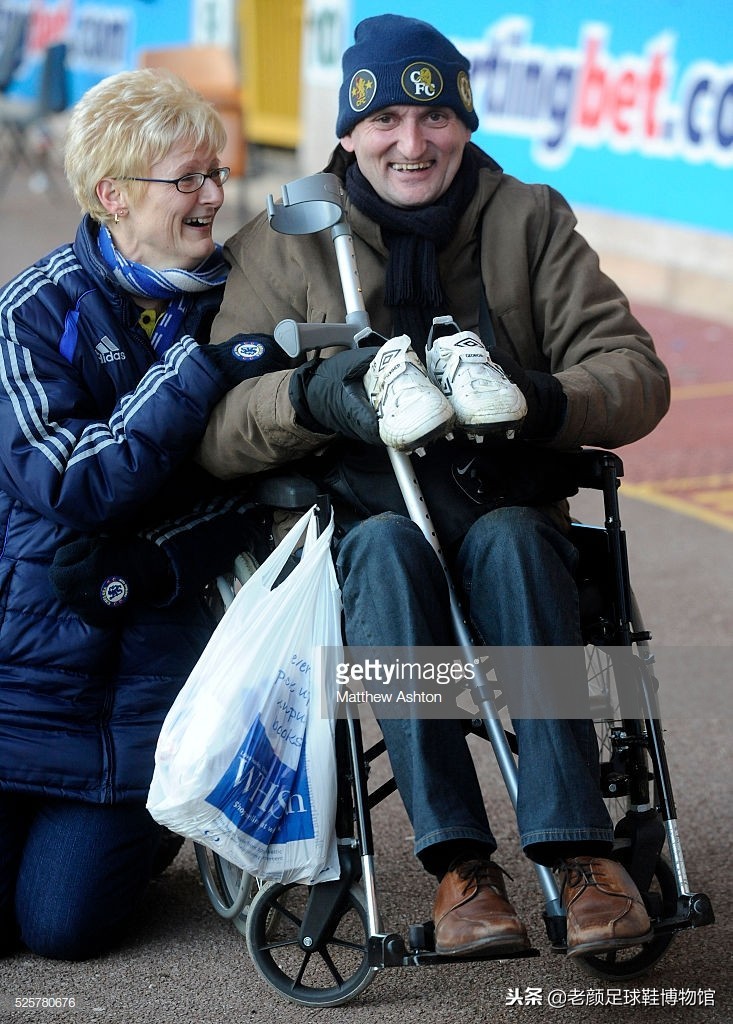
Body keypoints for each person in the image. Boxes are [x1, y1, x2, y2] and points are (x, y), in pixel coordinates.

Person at [196, 15, 671, 959]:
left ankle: (580, 859)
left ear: (464, 118)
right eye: (385, 122)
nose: (411, 143)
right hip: (366, 527)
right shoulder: (285, 240)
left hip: (503, 509)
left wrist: (536, 398)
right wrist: (308, 393)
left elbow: (635, 373)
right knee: (381, 551)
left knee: (514, 541)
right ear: (347, 132)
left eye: (433, 116)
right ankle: (460, 869)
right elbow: (216, 427)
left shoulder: (528, 219)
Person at [0, 68, 287, 960]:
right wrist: (198, 372)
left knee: (58, 931)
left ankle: (162, 825)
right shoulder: (32, 311)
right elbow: (77, 480)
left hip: (159, 693)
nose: (212, 196)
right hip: (27, 680)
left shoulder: (253, 300)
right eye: (187, 178)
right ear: (113, 196)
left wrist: (163, 550)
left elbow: (257, 495)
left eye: (216, 174)